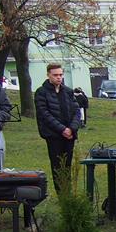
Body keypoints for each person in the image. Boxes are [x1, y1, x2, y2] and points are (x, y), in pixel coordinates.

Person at [35, 63, 82, 193]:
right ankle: (61, 194)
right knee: (57, 166)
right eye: (55, 75)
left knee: (67, 165)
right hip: (53, 135)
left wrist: (72, 128)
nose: (59, 77)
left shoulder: (68, 91)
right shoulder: (41, 92)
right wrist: (62, 129)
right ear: (48, 75)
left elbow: (76, 111)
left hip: (69, 135)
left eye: (60, 75)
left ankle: (68, 193)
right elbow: (44, 114)